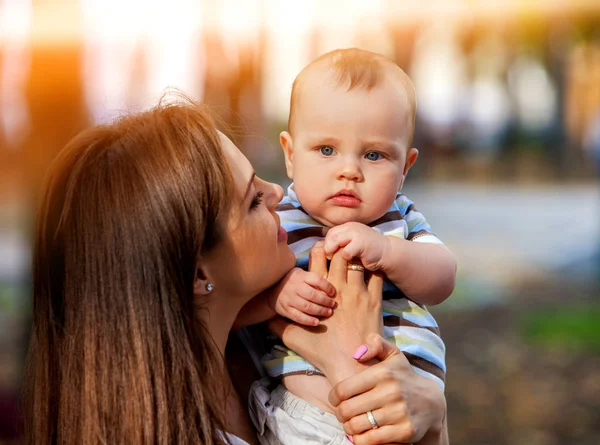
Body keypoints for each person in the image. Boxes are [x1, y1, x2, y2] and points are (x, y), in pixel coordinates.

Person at [23, 99, 448, 444]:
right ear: (196, 273)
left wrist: (431, 415)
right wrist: (351, 363)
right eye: (251, 202)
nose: (278, 192)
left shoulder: (247, 349)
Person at [234, 48, 456, 442]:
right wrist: (274, 298)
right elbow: (235, 309)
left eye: (374, 155)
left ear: (405, 167)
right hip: (305, 410)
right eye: (326, 150)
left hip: (404, 397)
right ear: (289, 154)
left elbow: (443, 278)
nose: (349, 170)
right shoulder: (279, 220)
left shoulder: (399, 218)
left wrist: (390, 253)